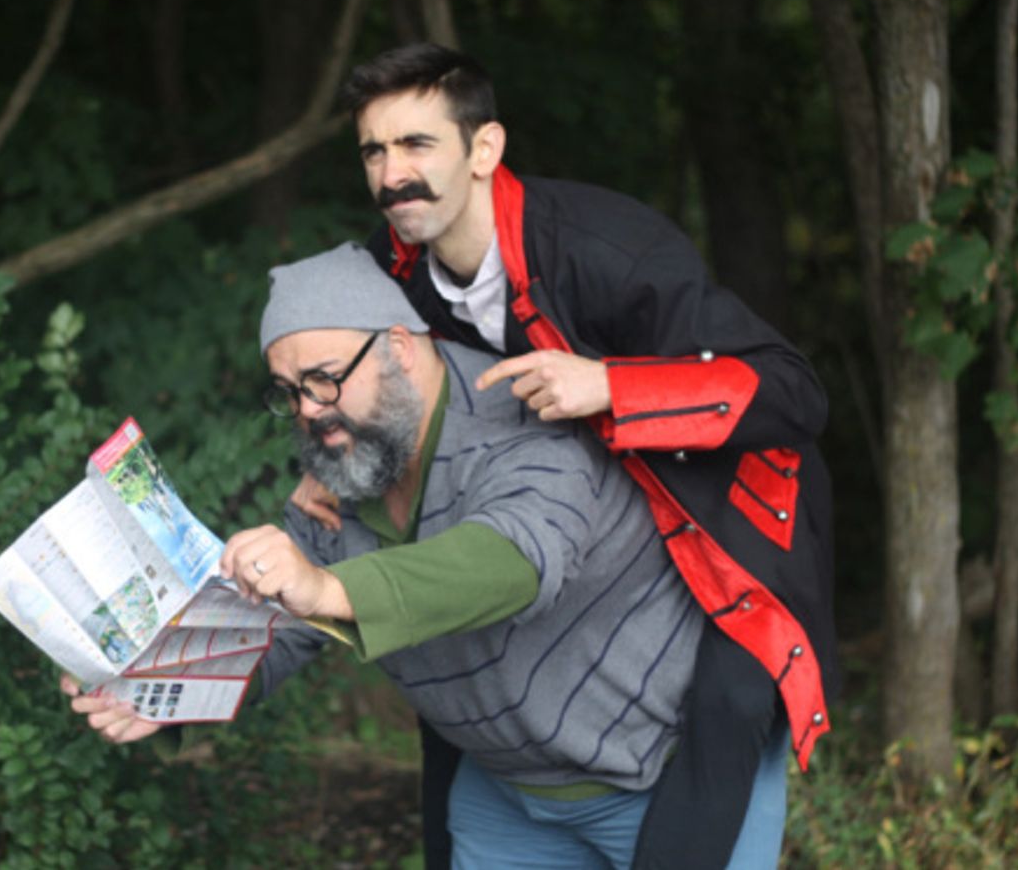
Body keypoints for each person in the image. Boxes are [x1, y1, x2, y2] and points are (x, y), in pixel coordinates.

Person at [286, 43, 838, 870]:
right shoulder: (390, 267)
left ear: (485, 149)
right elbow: (347, 377)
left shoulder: (606, 248)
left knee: (723, 718)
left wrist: (610, 384)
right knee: (455, 722)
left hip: (719, 523)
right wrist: (330, 459)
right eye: (374, 149)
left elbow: (795, 393)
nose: (392, 173)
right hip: (555, 533)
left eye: (416, 145)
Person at [66, 243, 792, 868]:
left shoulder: (525, 418)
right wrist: (161, 689)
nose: (311, 409)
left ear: (400, 348)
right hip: (509, 791)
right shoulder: (342, 471)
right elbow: (282, 623)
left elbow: (515, 560)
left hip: (668, 769)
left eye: (324, 378)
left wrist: (327, 586)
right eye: (289, 392)